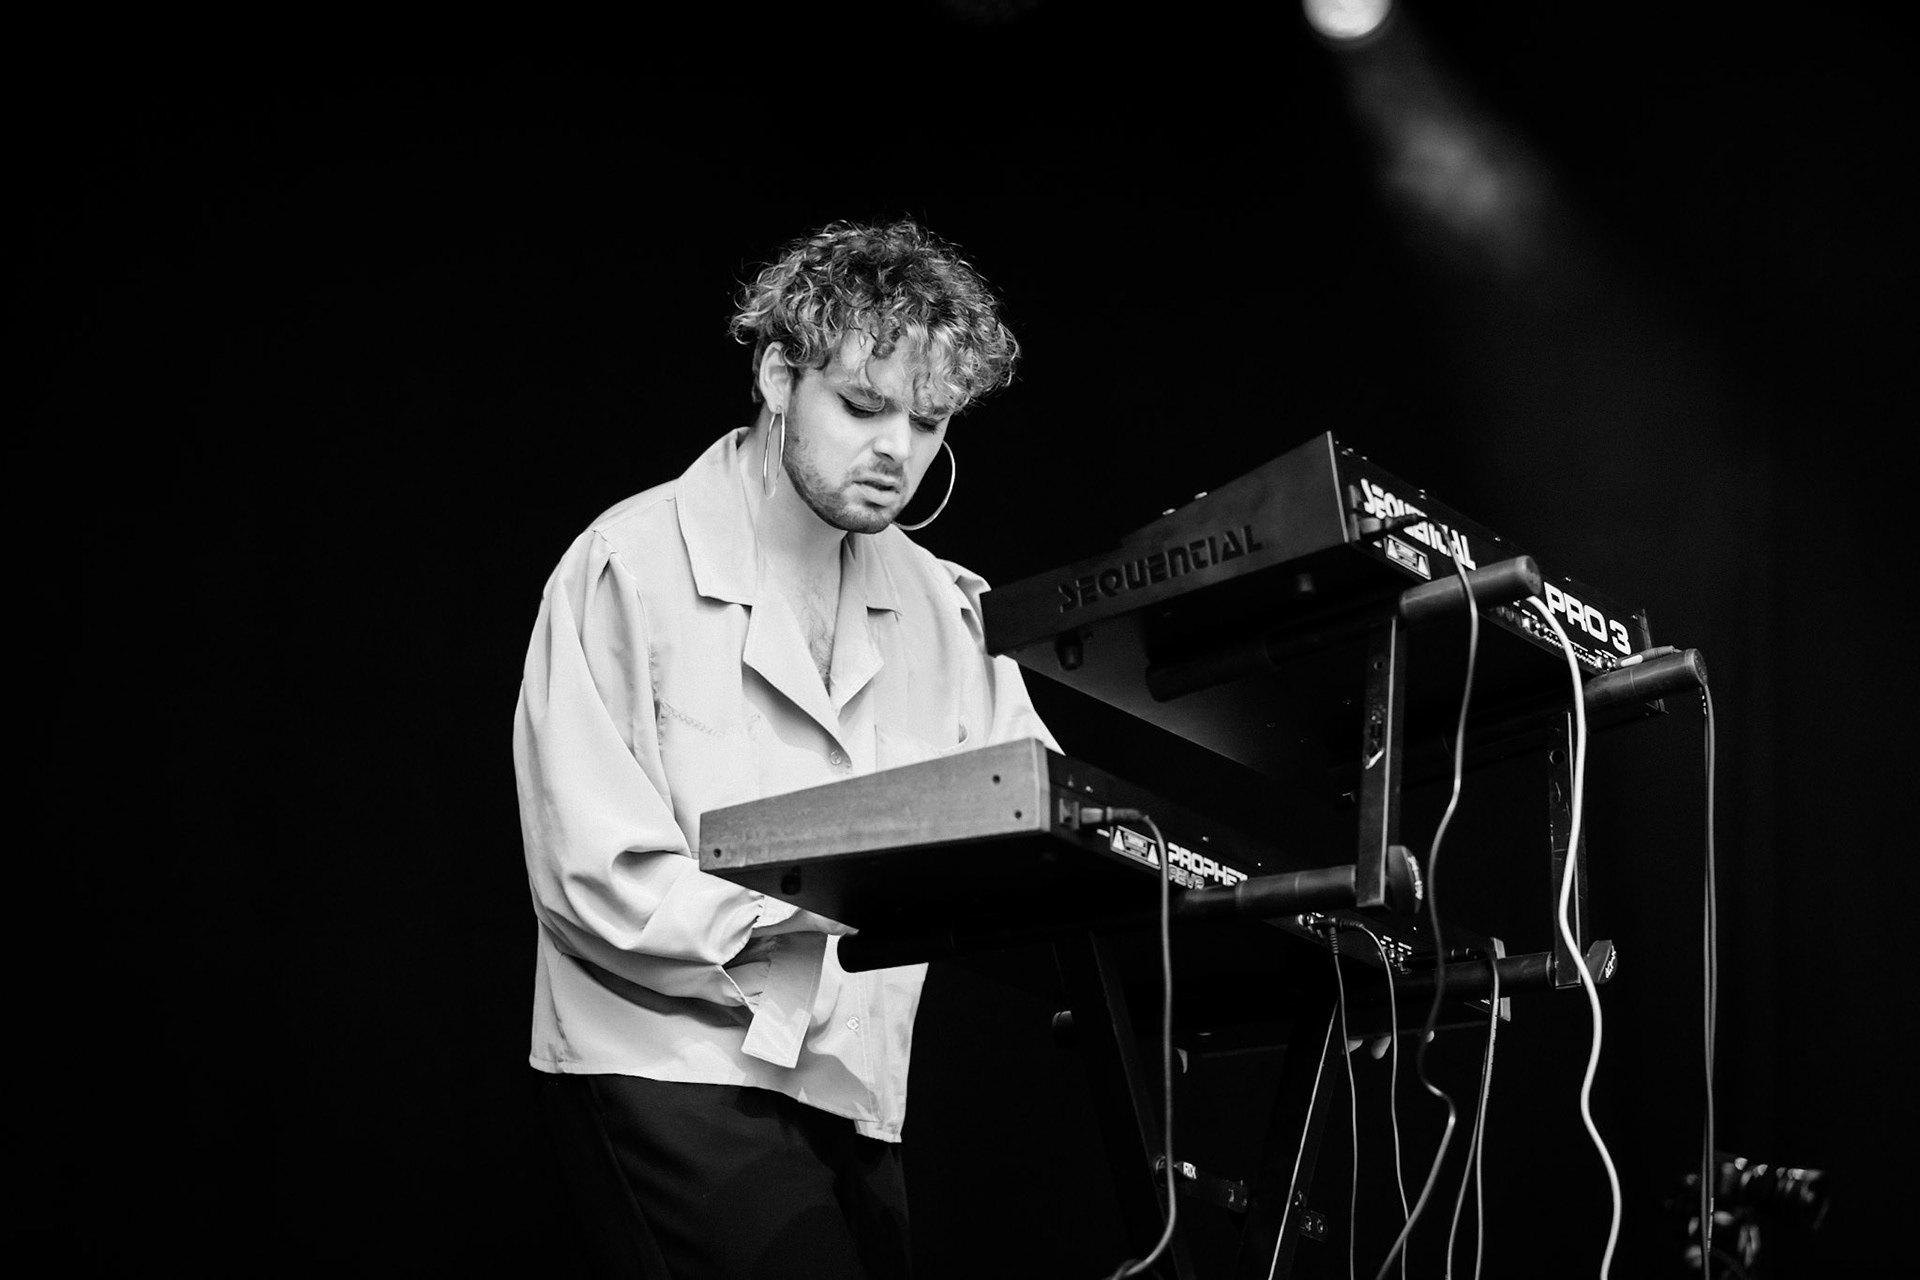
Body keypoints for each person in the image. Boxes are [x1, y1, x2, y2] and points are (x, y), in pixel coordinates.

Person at [513, 219, 1058, 1279]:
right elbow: (589, 873)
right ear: (776, 376)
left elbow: (1041, 807)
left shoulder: (949, 609)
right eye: (862, 406)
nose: (896, 450)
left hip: (856, 1089)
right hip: (666, 1062)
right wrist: (812, 921)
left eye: (928, 421)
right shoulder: (625, 563)